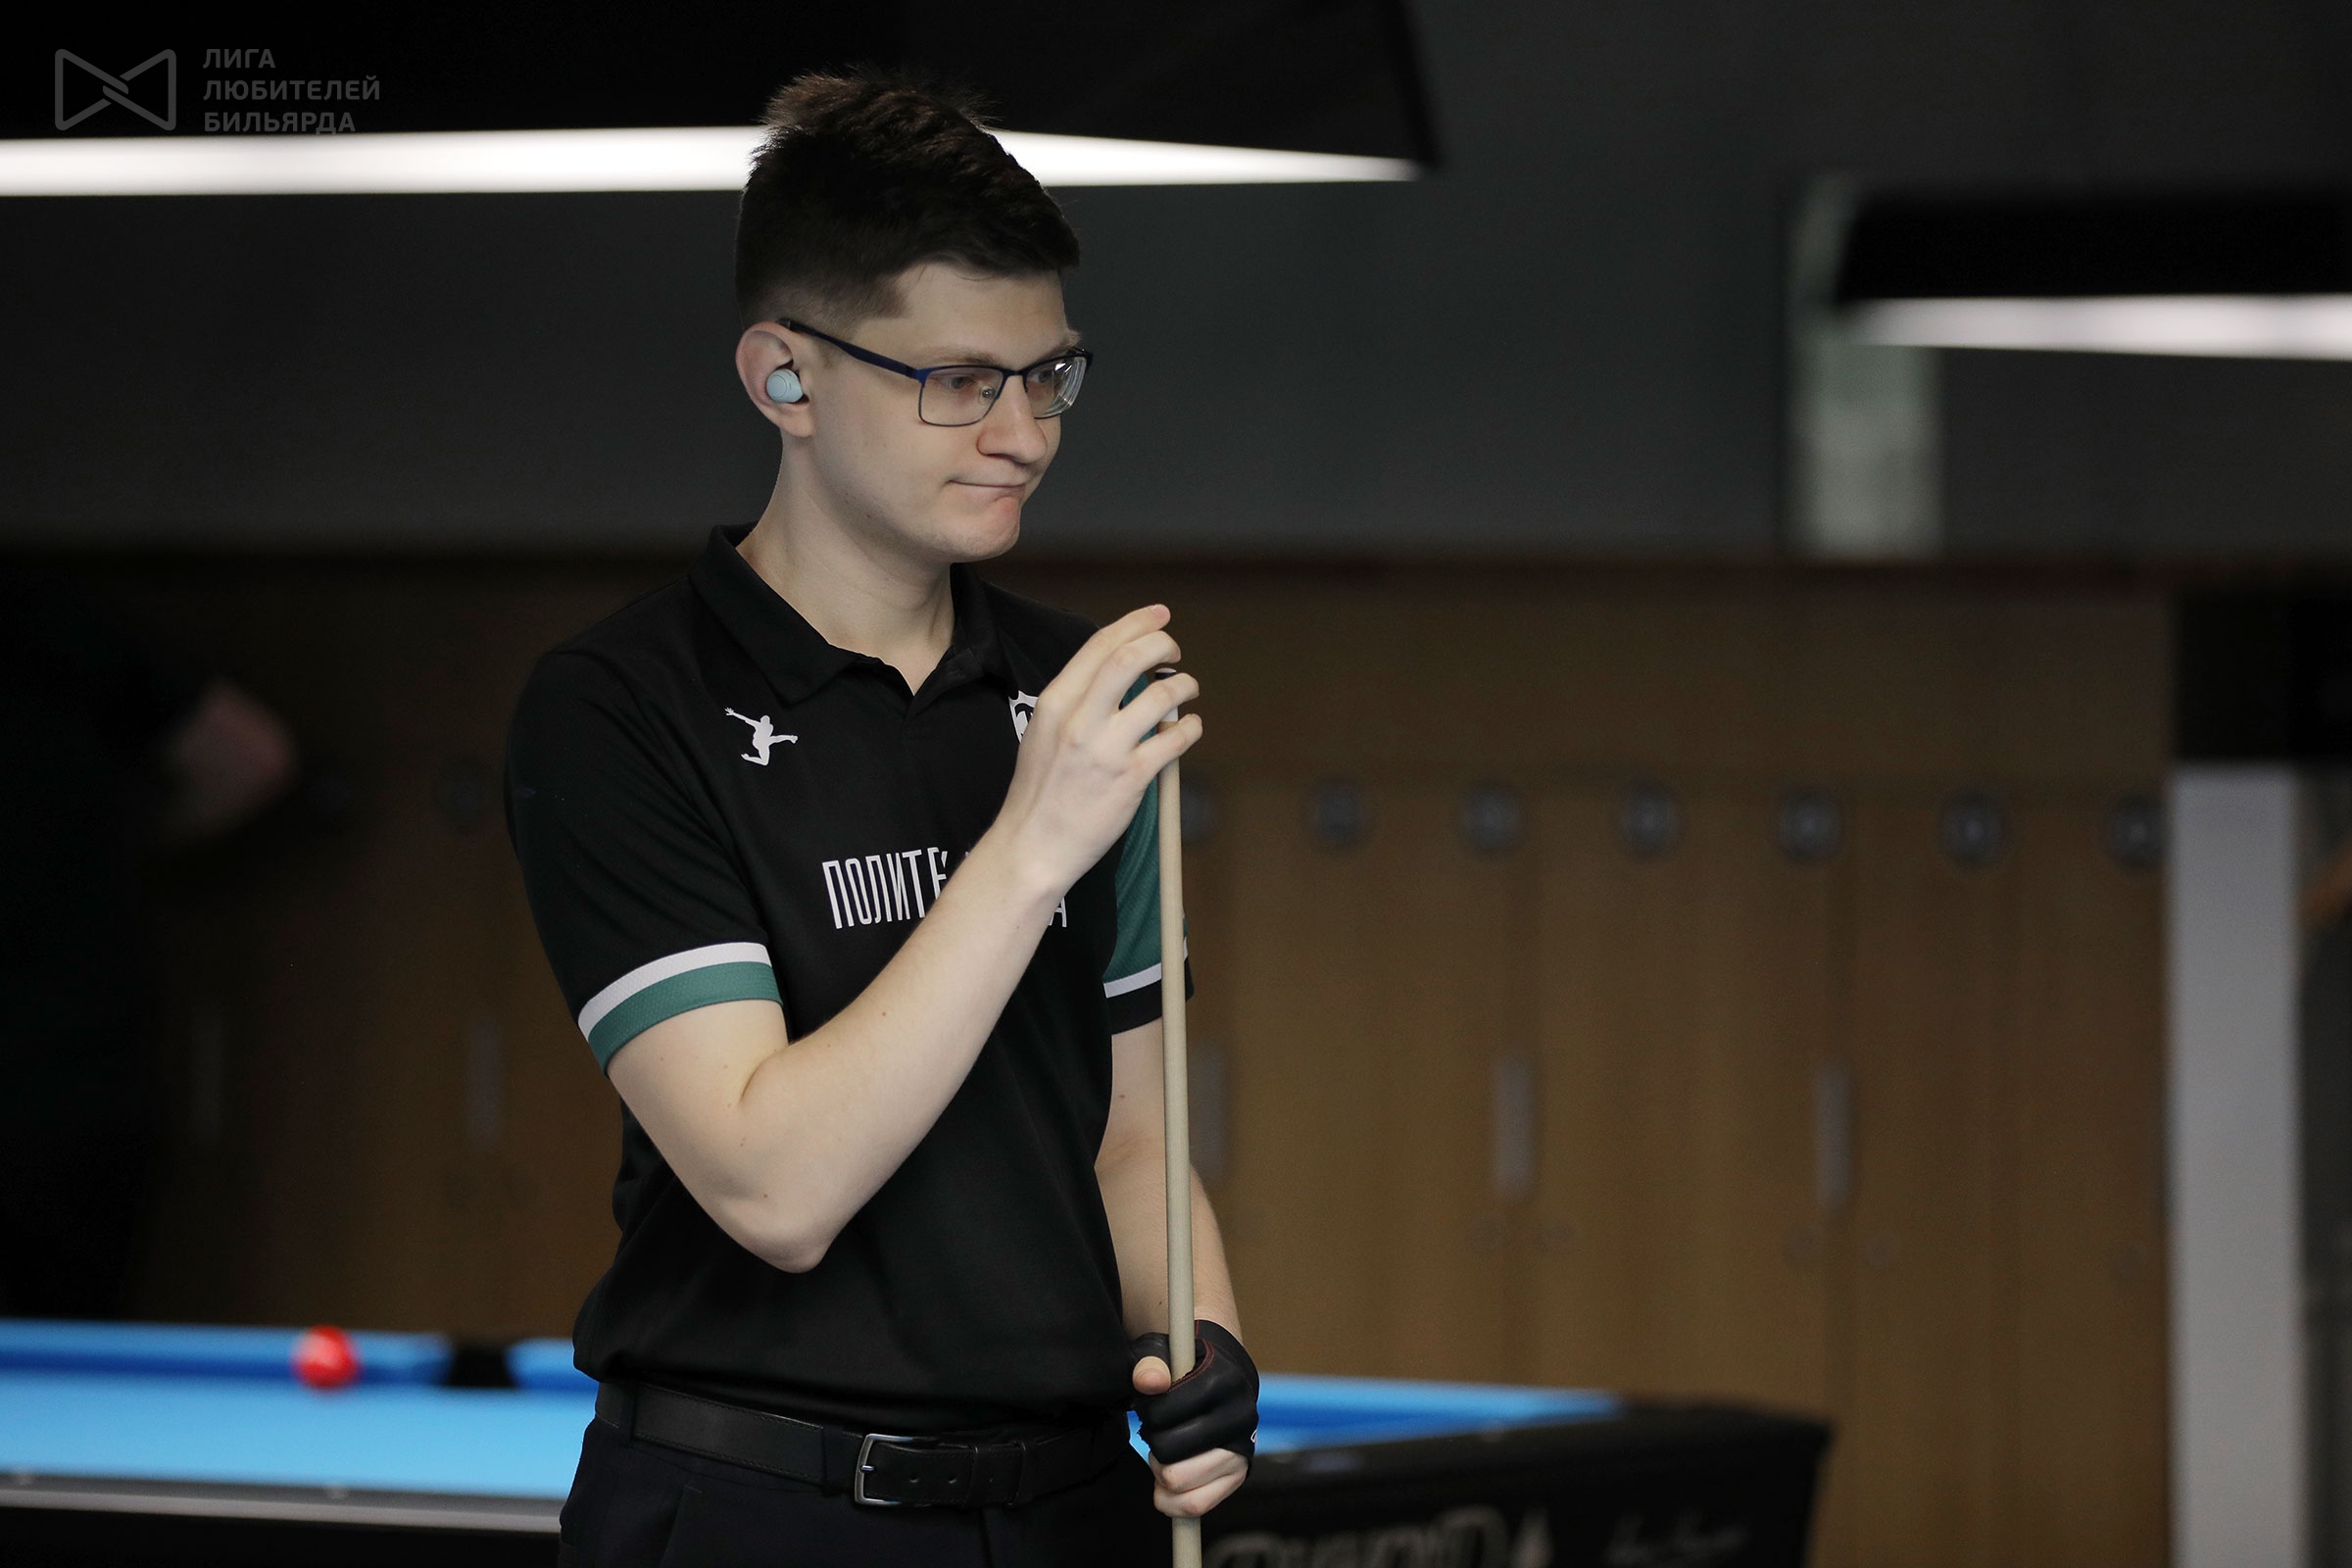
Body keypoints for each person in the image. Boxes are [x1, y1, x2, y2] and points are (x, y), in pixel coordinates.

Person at [505, 73, 1255, 1566]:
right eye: (959, 380)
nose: (1023, 433)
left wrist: (1205, 1346)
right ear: (785, 378)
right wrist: (1028, 846)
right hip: (753, 1508)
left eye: (1050, 376)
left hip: (1065, 1512)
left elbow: (1132, 1139)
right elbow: (773, 1186)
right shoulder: (619, 707)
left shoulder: (1078, 694)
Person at [0, 570, 297, 1318]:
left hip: (62, 1089)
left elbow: (255, 756)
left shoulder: (33, 616)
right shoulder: (41, 617)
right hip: (74, 1090)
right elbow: (250, 757)